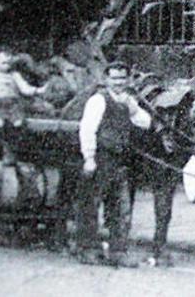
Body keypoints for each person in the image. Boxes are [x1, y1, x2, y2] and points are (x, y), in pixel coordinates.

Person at [77, 61, 152, 268]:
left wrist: (133, 108)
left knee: (120, 208)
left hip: (120, 160)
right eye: (114, 78)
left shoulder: (128, 100)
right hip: (101, 158)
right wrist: (89, 158)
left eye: (122, 78)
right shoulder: (98, 100)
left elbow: (145, 122)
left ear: (128, 80)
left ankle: (118, 251)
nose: (118, 82)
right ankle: (88, 249)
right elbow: (87, 130)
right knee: (92, 204)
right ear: (106, 79)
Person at [0, 48, 48, 126]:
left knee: (18, 122)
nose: (7, 66)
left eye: (9, 63)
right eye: (3, 63)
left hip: (13, 103)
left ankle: (14, 135)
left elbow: (24, 88)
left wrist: (38, 90)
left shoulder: (14, 75)